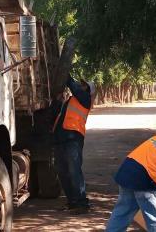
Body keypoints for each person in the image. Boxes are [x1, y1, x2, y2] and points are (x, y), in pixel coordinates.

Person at [53, 75, 96, 215]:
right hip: (61, 139)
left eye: (84, 85)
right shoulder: (71, 100)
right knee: (62, 171)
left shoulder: (85, 99)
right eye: (81, 84)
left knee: (74, 170)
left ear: (88, 90)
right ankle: (72, 202)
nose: (80, 85)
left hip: (73, 139)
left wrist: (66, 74)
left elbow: (74, 87)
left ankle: (82, 203)